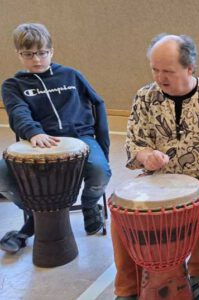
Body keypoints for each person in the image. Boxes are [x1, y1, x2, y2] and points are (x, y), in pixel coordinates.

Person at [112, 33, 199, 300]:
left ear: (190, 68)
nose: (160, 77)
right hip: (156, 181)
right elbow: (134, 143)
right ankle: (127, 287)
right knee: (122, 210)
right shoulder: (145, 97)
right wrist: (147, 156)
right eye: (155, 70)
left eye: (168, 71)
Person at [0, 23, 111, 253]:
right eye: (28, 54)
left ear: (52, 51)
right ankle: (37, 215)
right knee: (1, 173)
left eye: (42, 52)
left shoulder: (71, 75)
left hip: (81, 138)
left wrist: (103, 147)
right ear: (18, 54)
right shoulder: (13, 85)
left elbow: (98, 104)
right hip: (37, 142)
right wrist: (34, 132)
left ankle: (91, 207)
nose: (37, 59)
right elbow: (18, 112)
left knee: (101, 171)